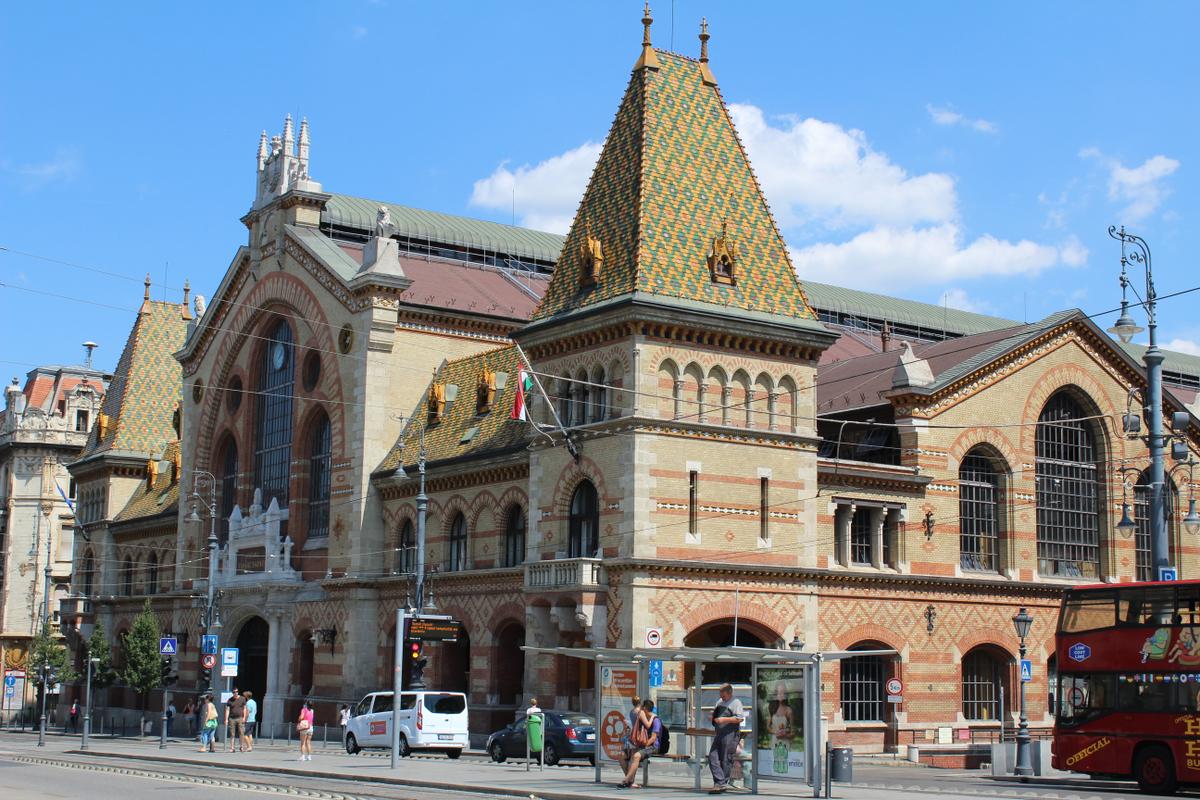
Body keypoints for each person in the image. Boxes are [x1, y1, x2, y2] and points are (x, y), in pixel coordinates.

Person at [708, 684, 745, 794]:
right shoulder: (719, 702)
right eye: (720, 695)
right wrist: (712, 717)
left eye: (723, 695)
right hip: (719, 733)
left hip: (730, 734)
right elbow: (715, 715)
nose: (722, 698)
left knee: (726, 758)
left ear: (730, 693)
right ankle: (720, 781)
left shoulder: (736, 702)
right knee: (712, 757)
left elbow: (739, 718)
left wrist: (724, 719)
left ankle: (721, 783)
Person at [619, 699, 660, 789]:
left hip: (652, 746)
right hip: (640, 745)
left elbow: (653, 738)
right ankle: (630, 780)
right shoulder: (642, 719)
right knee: (622, 755)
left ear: (645, 708)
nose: (640, 710)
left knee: (636, 756)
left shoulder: (656, 720)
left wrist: (643, 746)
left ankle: (625, 780)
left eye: (641, 708)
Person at [618, 695, 643, 775]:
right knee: (633, 759)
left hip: (630, 738)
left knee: (626, 757)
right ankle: (629, 779)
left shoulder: (631, 712)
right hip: (637, 738)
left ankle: (627, 778)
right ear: (640, 702)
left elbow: (628, 725)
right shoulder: (641, 712)